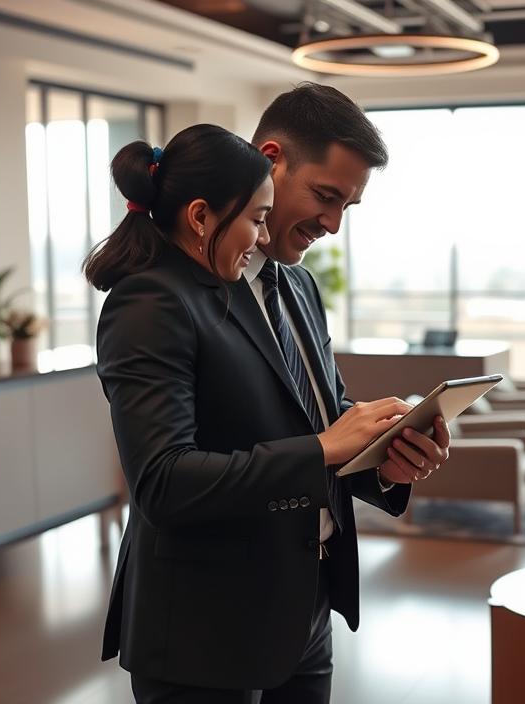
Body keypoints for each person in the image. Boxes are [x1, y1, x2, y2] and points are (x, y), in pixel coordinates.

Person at [91, 105, 449, 702]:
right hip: (205, 630)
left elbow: (325, 419)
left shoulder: (301, 286)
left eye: (347, 207)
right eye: (325, 196)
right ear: (271, 160)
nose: (333, 224)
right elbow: (161, 481)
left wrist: (386, 457)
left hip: (305, 610)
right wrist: (323, 447)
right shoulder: (152, 300)